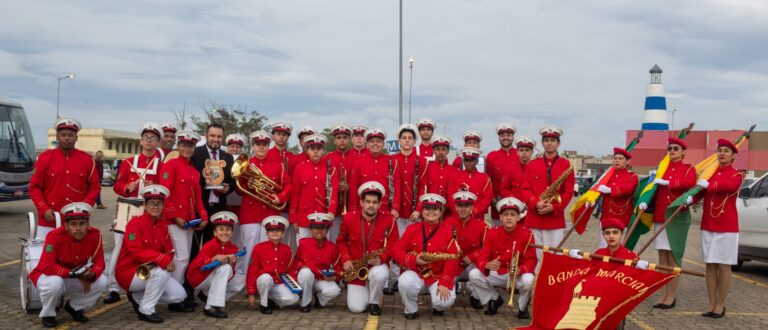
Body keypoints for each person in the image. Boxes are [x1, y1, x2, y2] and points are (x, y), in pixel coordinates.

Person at [104, 123, 165, 304]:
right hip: (127, 209)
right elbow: (117, 186)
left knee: (146, 249)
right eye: (146, 137)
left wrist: (152, 187)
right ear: (141, 140)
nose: (149, 141)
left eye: (153, 138)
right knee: (119, 248)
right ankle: (113, 287)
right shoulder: (128, 162)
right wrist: (126, 187)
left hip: (149, 212)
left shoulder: (162, 165)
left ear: (157, 143)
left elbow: (164, 190)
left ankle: (139, 284)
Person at [639, 137, 696, 309]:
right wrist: (645, 199)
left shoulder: (688, 169)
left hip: (677, 217)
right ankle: (663, 294)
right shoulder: (661, 169)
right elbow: (652, 188)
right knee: (662, 258)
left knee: (673, 257)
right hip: (660, 216)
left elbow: (690, 183)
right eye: (670, 148)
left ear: (683, 152)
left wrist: (669, 182)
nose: (672, 151)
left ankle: (672, 295)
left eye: (676, 148)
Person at [115, 185, 186, 323]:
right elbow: (135, 249)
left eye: (158, 204)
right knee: (162, 273)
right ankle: (146, 310)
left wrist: (164, 260)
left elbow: (170, 251)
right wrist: (161, 260)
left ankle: (138, 297)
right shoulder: (134, 223)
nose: (155, 207)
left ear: (163, 206)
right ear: (145, 205)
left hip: (151, 270)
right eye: (152, 203)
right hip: (129, 273)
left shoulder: (163, 226)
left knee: (179, 295)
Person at [29, 202, 107, 328]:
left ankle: (75, 306)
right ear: (66, 225)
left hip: (71, 277)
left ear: (88, 224)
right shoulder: (54, 236)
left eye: (82, 224)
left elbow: (100, 262)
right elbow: (47, 266)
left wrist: (91, 274)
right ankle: (48, 313)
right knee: (55, 283)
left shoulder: (95, 235)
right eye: (73, 224)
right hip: (48, 276)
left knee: (102, 280)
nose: (78, 228)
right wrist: (77, 275)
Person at [691, 138, 743, 318]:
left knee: (724, 266)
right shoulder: (711, 173)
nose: (722, 153)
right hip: (708, 224)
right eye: (720, 150)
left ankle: (721, 304)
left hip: (726, 227)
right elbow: (701, 192)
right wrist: (689, 200)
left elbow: (730, 186)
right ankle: (711, 303)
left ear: (733, 156)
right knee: (710, 265)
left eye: (726, 151)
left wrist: (709, 184)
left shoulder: (737, 174)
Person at [159, 130, 209, 310]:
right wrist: (174, 216)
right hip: (174, 221)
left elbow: (198, 198)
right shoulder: (170, 165)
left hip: (189, 222)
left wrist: (203, 216)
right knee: (181, 258)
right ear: (178, 146)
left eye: (191, 146)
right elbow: (165, 194)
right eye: (184, 145)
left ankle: (175, 295)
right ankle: (174, 297)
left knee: (184, 259)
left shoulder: (194, 171)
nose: (187, 149)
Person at [393, 193, 461, 319]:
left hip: (437, 276)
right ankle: (410, 309)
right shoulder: (412, 229)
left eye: (435, 209)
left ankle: (438, 307)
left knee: (444, 301)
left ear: (440, 212)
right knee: (404, 282)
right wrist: (414, 260)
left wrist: (445, 282)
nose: (431, 211)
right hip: (417, 273)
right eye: (427, 208)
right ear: (422, 211)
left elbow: (453, 259)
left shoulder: (447, 231)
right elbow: (396, 250)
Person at [29, 118, 100, 239]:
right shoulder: (45, 158)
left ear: (76, 137)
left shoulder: (87, 160)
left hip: (77, 222)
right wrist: (44, 209)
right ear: (57, 137)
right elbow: (35, 187)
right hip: (49, 220)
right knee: (45, 254)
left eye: (71, 135)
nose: (67, 138)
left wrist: (84, 208)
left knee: (77, 256)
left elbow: (95, 187)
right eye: (63, 135)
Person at [336, 181, 399, 315]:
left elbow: (394, 246)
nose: (371, 205)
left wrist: (381, 258)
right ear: (361, 203)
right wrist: (346, 259)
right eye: (368, 201)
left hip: (376, 266)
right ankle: (370, 290)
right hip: (356, 268)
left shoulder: (389, 221)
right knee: (356, 308)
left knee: (380, 274)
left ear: (380, 204)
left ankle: (375, 302)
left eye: (375, 202)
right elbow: (341, 242)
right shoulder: (349, 218)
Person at [469, 197, 537, 318]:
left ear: (518, 217)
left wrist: (522, 270)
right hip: (499, 272)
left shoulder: (527, 234)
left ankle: (522, 306)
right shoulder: (492, 232)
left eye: (512, 214)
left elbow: (531, 260)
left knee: (529, 279)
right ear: (500, 217)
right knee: (474, 274)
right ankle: (494, 298)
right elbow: (482, 256)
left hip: (517, 274)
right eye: (505, 215)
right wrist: (486, 265)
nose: (509, 217)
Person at [237, 131, 292, 275]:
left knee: (268, 251)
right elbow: (238, 190)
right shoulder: (246, 164)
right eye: (258, 144)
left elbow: (288, 185)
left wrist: (280, 197)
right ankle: (245, 280)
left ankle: (264, 280)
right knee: (247, 249)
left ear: (269, 145)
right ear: (253, 146)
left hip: (270, 212)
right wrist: (248, 184)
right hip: (250, 214)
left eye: (264, 144)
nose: (261, 147)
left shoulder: (278, 165)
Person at [520, 125, 575, 259]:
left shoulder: (566, 165)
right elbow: (525, 189)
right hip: (534, 217)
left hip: (554, 219)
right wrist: (536, 202)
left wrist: (554, 207)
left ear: (558, 143)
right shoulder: (532, 164)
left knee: (554, 256)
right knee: (535, 255)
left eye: (553, 140)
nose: (549, 143)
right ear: (542, 143)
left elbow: (568, 192)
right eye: (546, 140)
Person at [186, 211, 246, 318]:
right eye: (221, 229)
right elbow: (197, 266)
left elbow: (230, 274)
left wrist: (232, 262)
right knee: (226, 268)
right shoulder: (209, 245)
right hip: (199, 277)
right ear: (215, 233)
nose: (225, 233)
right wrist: (213, 259)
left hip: (213, 276)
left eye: (228, 230)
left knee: (241, 280)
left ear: (232, 233)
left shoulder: (234, 248)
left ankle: (207, 296)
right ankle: (211, 306)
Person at [191, 123, 235, 252]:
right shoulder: (195, 153)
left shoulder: (228, 156)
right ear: (206, 136)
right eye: (212, 135)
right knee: (194, 246)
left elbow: (232, 181)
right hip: (199, 206)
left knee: (214, 247)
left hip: (218, 207)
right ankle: (191, 272)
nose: (216, 139)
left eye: (219, 136)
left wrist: (228, 187)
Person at [246, 216, 300, 314]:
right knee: (266, 278)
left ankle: (272, 301)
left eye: (278, 230)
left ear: (283, 233)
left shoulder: (287, 249)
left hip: (277, 283)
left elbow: (290, 269)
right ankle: (264, 305)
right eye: (271, 230)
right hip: (263, 282)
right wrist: (251, 293)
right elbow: (252, 271)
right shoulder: (258, 248)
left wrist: (293, 284)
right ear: (267, 233)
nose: (275, 233)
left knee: (293, 299)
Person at [443, 191, 487, 309]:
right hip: (453, 265)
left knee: (478, 272)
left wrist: (472, 257)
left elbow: (487, 248)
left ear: (472, 207)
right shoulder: (446, 224)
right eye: (460, 206)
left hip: (472, 264)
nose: (463, 209)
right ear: (455, 207)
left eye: (466, 206)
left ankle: (475, 295)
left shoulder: (481, 226)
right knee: (445, 301)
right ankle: (453, 287)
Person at [290, 134, 338, 240]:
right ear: (307, 150)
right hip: (304, 218)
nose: (315, 151)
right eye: (312, 148)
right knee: (303, 251)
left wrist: (331, 212)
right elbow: (295, 194)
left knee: (324, 251)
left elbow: (334, 192)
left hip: (324, 217)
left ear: (323, 150)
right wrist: (294, 218)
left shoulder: (330, 169)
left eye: (318, 148)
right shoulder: (300, 168)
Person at [295, 213, 342, 312]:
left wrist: (335, 277)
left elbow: (339, 268)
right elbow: (295, 260)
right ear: (311, 230)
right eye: (316, 228)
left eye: (322, 228)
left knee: (335, 291)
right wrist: (302, 265)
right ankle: (305, 303)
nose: (319, 231)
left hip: (320, 279)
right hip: (305, 278)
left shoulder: (332, 247)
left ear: (327, 230)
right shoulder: (303, 243)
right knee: (306, 273)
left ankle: (319, 299)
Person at [347, 128, 401, 216]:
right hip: (364, 210)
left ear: (383, 144)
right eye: (372, 141)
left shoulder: (391, 161)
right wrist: (353, 211)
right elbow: (353, 189)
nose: (375, 143)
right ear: (367, 144)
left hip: (385, 209)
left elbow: (396, 186)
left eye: (378, 141)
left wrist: (395, 208)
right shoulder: (358, 162)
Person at [593, 147, 638, 248]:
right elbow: (598, 189)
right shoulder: (608, 176)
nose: (617, 160)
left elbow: (628, 189)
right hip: (606, 217)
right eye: (615, 158)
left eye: (620, 158)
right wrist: (591, 198)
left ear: (627, 161)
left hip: (622, 217)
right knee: (604, 248)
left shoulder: (632, 176)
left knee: (620, 249)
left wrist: (610, 190)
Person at [393, 124, 428, 236]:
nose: (407, 141)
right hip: (396, 212)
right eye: (404, 138)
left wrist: (419, 209)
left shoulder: (422, 161)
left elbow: (424, 187)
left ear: (414, 141)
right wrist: (393, 208)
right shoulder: (392, 160)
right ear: (399, 141)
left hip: (414, 213)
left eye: (410, 138)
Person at [486, 123, 522, 226]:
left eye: (508, 135)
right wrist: (493, 200)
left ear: (513, 137)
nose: (505, 138)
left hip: (519, 205)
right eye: (502, 135)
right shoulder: (492, 156)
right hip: (498, 204)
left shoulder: (520, 153)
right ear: (499, 137)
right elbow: (488, 181)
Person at [324, 124, 355, 242]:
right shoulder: (327, 158)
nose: (342, 140)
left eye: (344, 137)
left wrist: (349, 186)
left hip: (351, 206)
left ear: (349, 139)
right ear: (334, 140)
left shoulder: (358, 158)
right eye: (339, 138)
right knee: (334, 239)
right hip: (333, 210)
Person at [446, 147, 493, 219]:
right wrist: (459, 212)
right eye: (466, 160)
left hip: (476, 218)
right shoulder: (454, 176)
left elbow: (486, 199)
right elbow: (450, 196)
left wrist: (474, 212)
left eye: (471, 160)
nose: (468, 163)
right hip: (457, 217)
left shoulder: (485, 178)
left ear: (477, 161)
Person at [224, 133, 246, 248]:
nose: (235, 149)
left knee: (237, 237)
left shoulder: (245, 163)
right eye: (232, 146)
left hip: (240, 205)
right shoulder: (221, 160)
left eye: (238, 147)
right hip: (225, 203)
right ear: (227, 147)